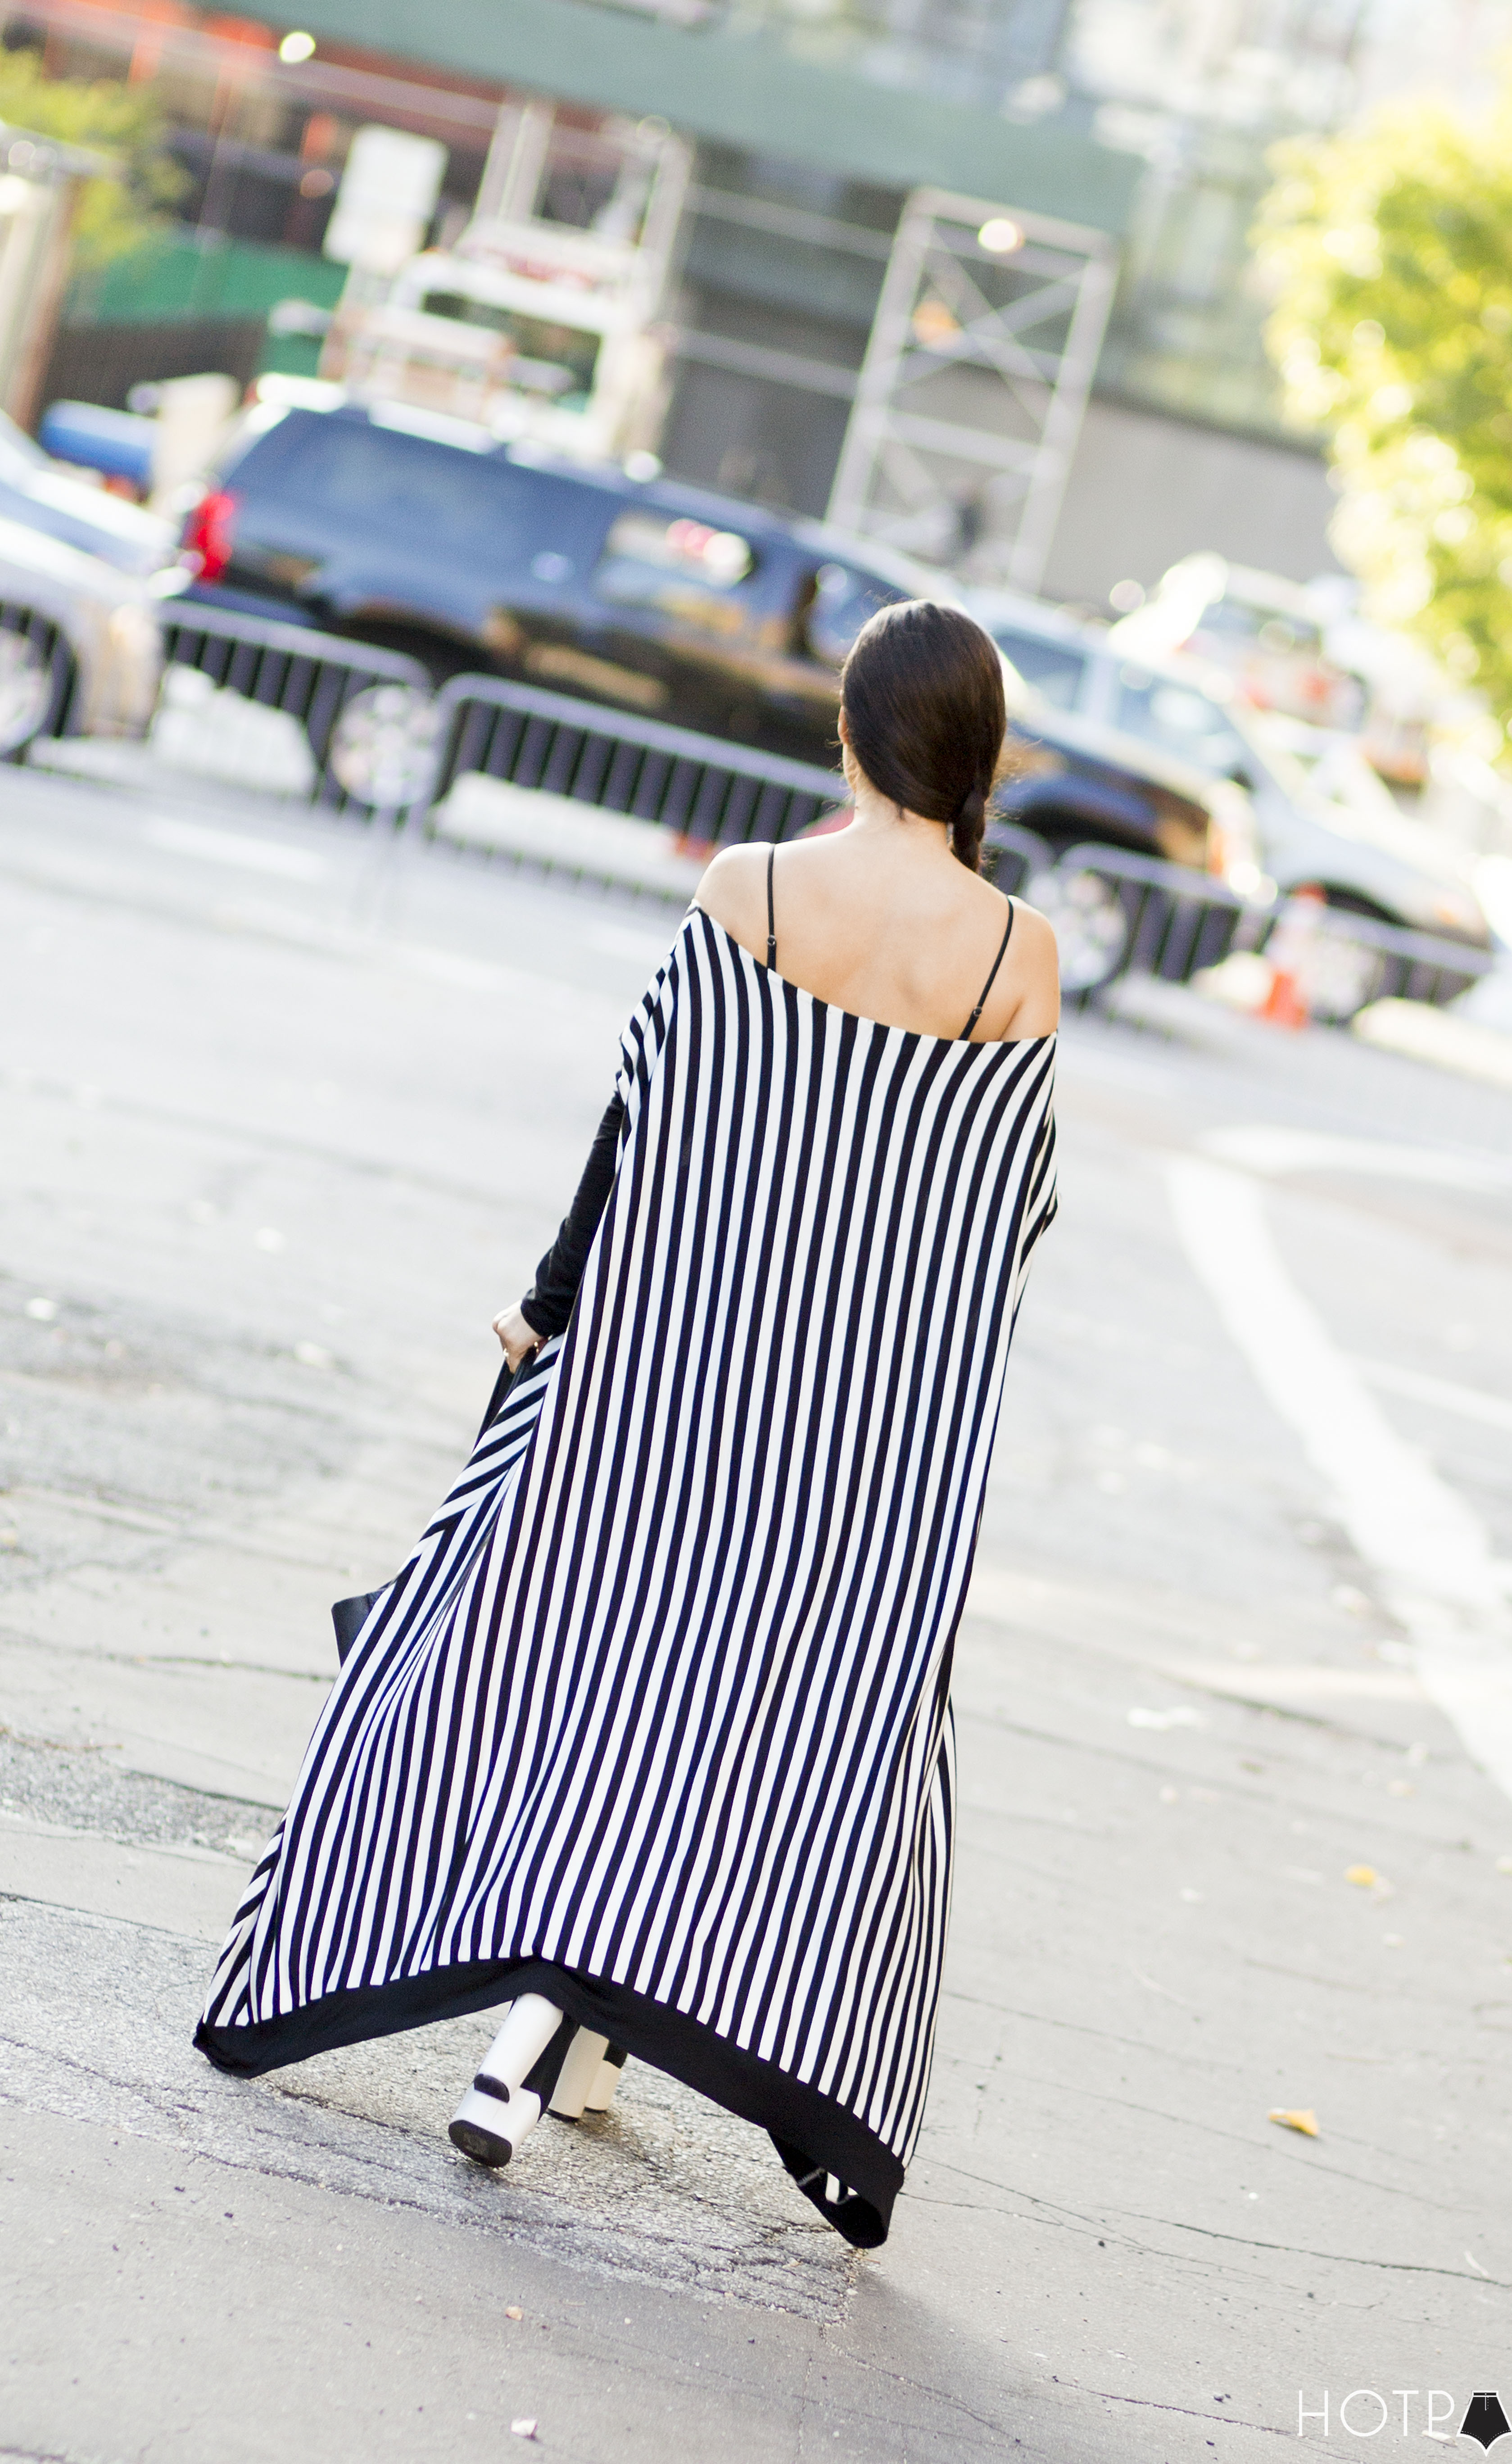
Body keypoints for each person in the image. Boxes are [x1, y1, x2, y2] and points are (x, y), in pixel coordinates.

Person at [195, 600, 1060, 2249]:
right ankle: (569, 2045)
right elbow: (993, 1229)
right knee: (742, 1743)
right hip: (860, 1433)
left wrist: (545, 1307)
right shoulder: (1025, 961)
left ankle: (527, 2030)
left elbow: (637, 1133)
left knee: (566, 1677)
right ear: (978, 751)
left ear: (855, 731)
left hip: (671, 1386)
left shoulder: (753, 889)